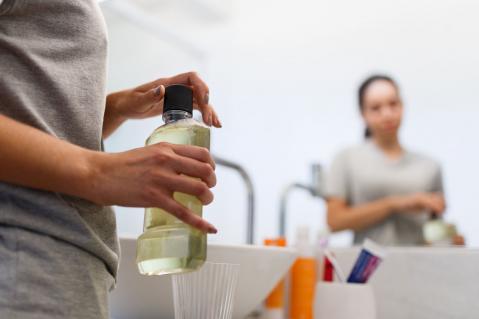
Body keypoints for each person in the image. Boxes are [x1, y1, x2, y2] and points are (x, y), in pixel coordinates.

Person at [0, 1, 220, 318]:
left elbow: (38, 121)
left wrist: (115, 108)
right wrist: (99, 172)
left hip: (67, 267)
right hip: (24, 258)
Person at [325, 75, 447, 246]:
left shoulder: (429, 165)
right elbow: (334, 221)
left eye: (393, 104)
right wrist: (395, 204)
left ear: (402, 105)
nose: (387, 114)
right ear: (363, 114)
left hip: (419, 267)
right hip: (366, 269)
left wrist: (449, 241)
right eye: (376, 108)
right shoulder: (347, 159)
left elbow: (435, 228)